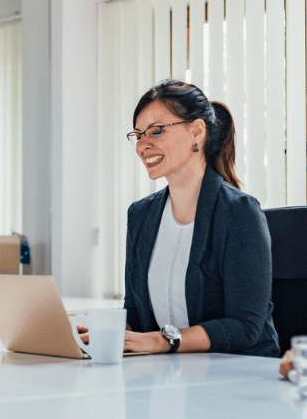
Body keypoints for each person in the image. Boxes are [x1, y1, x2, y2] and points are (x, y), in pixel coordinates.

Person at [119, 79, 279, 356]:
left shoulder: (239, 213)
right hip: (169, 374)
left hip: (239, 375)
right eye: (138, 135)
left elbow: (245, 325)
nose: (142, 146)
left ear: (196, 131)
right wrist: (104, 333)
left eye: (155, 132)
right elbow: (134, 310)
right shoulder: (141, 215)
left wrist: (162, 341)